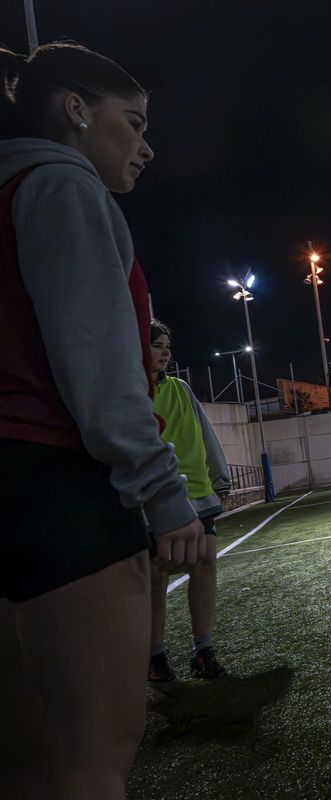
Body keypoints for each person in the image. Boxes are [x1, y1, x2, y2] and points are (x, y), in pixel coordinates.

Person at [0, 43, 203, 799]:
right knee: (93, 760)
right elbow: (100, 373)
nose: (146, 145)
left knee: (19, 762)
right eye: (134, 121)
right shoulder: (61, 184)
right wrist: (164, 494)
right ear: (76, 110)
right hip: (59, 490)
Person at [147, 320, 232, 683]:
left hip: (197, 493)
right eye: (156, 345)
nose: (166, 351)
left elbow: (204, 432)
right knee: (155, 575)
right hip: (152, 499)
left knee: (205, 564)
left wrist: (220, 476)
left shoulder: (180, 389)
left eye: (167, 344)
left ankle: (203, 650)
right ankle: (155, 657)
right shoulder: (129, 394)